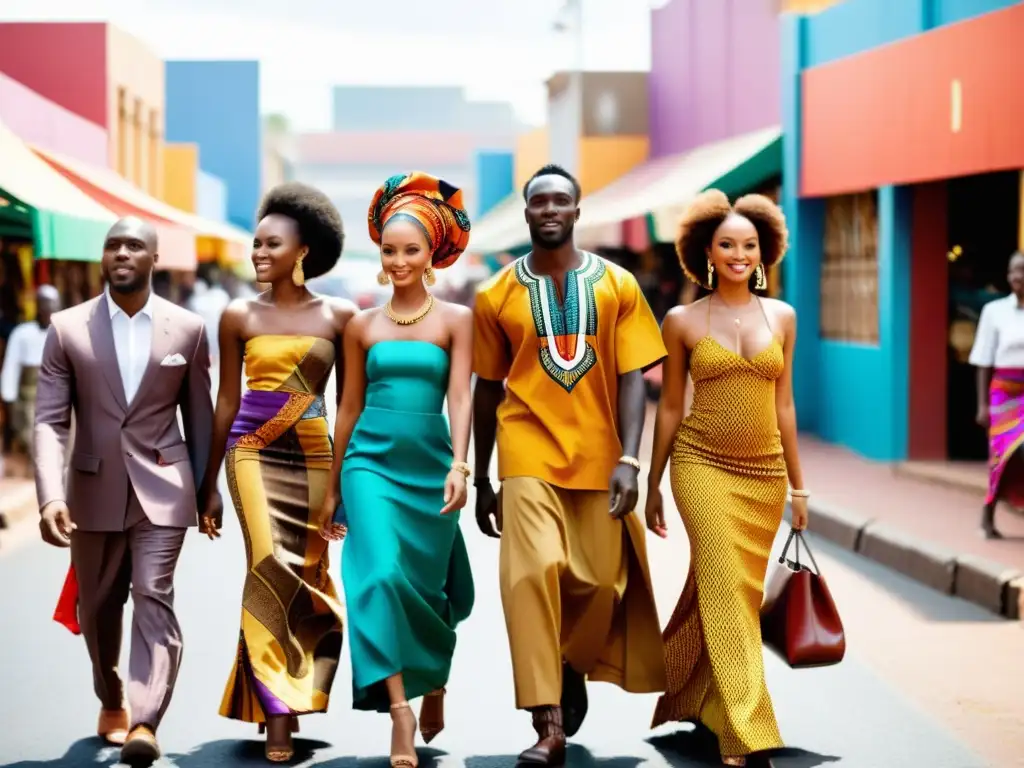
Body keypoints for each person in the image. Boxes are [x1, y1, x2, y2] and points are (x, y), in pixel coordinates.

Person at [472, 164, 668, 766]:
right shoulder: (496, 294)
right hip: (525, 450)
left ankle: (568, 663)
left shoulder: (618, 285)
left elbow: (635, 376)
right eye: (539, 202)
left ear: (577, 212)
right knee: (531, 575)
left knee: (600, 584)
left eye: (561, 201)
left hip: (602, 455)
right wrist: (482, 476)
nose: (550, 209)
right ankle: (547, 723)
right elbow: (486, 388)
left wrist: (632, 459)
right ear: (527, 214)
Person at [33, 216, 215, 766]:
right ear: (103, 256)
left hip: (166, 485)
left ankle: (145, 720)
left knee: (153, 595)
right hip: (91, 490)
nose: (122, 252)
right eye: (113, 244)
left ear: (154, 258)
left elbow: (200, 418)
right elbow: (48, 420)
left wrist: (208, 491)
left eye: (135, 245)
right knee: (98, 608)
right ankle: (109, 690)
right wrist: (49, 495)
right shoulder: (66, 328)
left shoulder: (187, 329)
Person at [644, 190, 808, 767]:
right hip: (700, 465)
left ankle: (698, 696)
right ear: (705, 253)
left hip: (763, 475)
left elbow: (784, 407)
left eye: (749, 245)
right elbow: (668, 407)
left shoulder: (782, 317)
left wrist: (798, 486)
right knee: (727, 587)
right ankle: (748, 731)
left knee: (725, 592)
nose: (739, 254)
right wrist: (652, 482)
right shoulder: (682, 320)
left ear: (764, 252)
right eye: (727, 245)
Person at [319, 172, 475, 768]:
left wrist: (460, 464)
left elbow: (460, 397)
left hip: (431, 463)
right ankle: (400, 712)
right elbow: (348, 408)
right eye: (390, 250)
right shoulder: (361, 326)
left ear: (431, 252)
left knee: (431, 592)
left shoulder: (457, 319)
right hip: (370, 465)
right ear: (379, 256)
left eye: (411, 249)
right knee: (379, 576)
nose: (400, 259)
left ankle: (434, 682)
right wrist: (334, 487)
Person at [198, 182, 355, 763]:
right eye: (256, 244)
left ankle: (288, 687)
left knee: (309, 573)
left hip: (315, 451)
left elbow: (348, 405)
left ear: (303, 250)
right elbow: (224, 401)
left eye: (272, 243)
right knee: (267, 568)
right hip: (251, 452)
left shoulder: (341, 316)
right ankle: (280, 714)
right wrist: (208, 480)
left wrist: (341, 484)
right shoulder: (237, 314)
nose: (259, 253)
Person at [970, 251, 1024, 539]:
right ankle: (987, 514)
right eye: (1014, 271)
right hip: (1003, 393)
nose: (1018, 277)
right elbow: (983, 359)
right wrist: (982, 405)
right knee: (1002, 454)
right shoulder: (994, 311)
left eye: (1023, 271)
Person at [1, 284, 60, 468]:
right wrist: (8, 396)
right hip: (29, 400)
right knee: (32, 437)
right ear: (38, 307)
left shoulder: (62, 334)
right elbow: (11, 367)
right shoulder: (22, 334)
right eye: (45, 306)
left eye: (52, 307)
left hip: (57, 397)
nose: (49, 311)